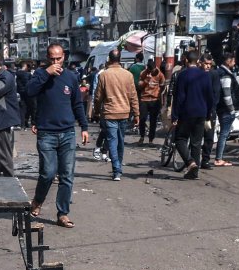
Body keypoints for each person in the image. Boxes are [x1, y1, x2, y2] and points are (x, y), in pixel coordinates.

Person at [25, 41, 91, 227]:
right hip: (46, 133)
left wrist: (84, 127)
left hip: (67, 133)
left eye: (59, 58)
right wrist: (46, 73)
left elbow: (77, 103)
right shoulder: (39, 74)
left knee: (67, 175)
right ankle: (37, 200)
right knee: (47, 173)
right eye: (52, 59)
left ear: (64, 57)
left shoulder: (71, 77)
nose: (56, 62)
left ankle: (63, 213)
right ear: (47, 59)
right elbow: (29, 91)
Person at [169, 48, 219, 180]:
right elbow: (210, 97)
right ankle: (194, 172)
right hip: (201, 113)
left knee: (180, 139)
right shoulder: (205, 75)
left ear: (186, 60)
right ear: (197, 61)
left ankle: (190, 162)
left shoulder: (183, 75)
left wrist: (174, 116)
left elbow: (179, 97)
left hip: (186, 113)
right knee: (196, 142)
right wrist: (208, 113)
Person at [92, 47, 139, 180]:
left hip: (109, 113)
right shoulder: (128, 75)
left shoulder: (104, 75)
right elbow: (133, 96)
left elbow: (98, 97)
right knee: (120, 141)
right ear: (120, 60)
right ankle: (119, 167)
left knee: (112, 141)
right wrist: (137, 114)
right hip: (124, 113)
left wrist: (96, 111)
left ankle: (116, 170)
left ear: (109, 59)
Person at [212, 51, 239, 166]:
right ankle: (219, 158)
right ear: (228, 61)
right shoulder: (225, 75)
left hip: (221, 108)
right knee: (224, 134)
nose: (235, 63)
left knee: (223, 133)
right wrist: (232, 110)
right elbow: (227, 95)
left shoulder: (219, 72)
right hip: (225, 109)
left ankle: (218, 157)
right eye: (233, 60)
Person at [138, 60, 167, 143]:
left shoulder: (160, 74)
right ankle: (142, 136)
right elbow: (139, 86)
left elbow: (163, 86)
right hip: (144, 99)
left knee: (153, 120)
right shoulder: (143, 73)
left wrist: (160, 98)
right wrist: (146, 81)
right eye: (151, 71)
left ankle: (151, 139)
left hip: (155, 100)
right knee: (142, 118)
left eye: (153, 70)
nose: (152, 72)